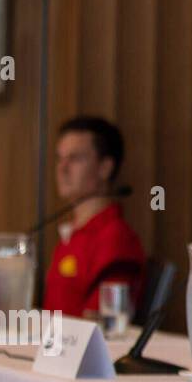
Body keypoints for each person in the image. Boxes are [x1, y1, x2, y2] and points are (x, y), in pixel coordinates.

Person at [44, 116, 145, 317]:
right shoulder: (72, 232)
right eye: (59, 158)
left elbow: (102, 327)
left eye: (75, 158)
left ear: (104, 168)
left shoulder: (115, 238)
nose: (62, 168)